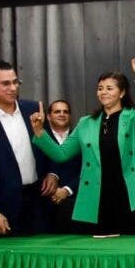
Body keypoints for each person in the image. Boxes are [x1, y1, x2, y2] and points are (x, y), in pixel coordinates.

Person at [30, 57, 135, 235]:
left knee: (132, 244)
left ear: (122, 93)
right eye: (100, 88)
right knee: (101, 246)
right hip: (97, 196)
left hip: (130, 194)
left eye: (109, 88)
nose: (103, 92)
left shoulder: (131, 117)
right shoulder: (86, 123)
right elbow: (61, 154)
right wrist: (39, 132)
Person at [0, 61, 59, 238]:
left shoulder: (33, 109)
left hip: (38, 203)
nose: (13, 88)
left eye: (16, 82)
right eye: (6, 83)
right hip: (2, 209)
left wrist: (53, 174)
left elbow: (51, 148)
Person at [44, 99, 80, 232]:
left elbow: (88, 169)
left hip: (74, 202)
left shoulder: (81, 138)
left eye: (66, 112)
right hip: (44, 204)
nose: (62, 114)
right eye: (57, 111)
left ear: (70, 116)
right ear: (48, 116)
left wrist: (67, 190)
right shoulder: (40, 137)